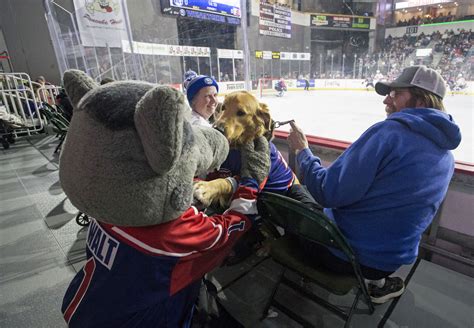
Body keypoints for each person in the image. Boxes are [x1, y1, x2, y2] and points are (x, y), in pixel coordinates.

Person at [287, 65, 461, 304]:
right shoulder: (447, 157)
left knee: (291, 196)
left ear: (420, 101)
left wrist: (303, 151)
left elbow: (327, 192)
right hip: (391, 263)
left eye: (395, 94)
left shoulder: (389, 133)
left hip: (345, 256)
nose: (386, 101)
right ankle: (377, 283)